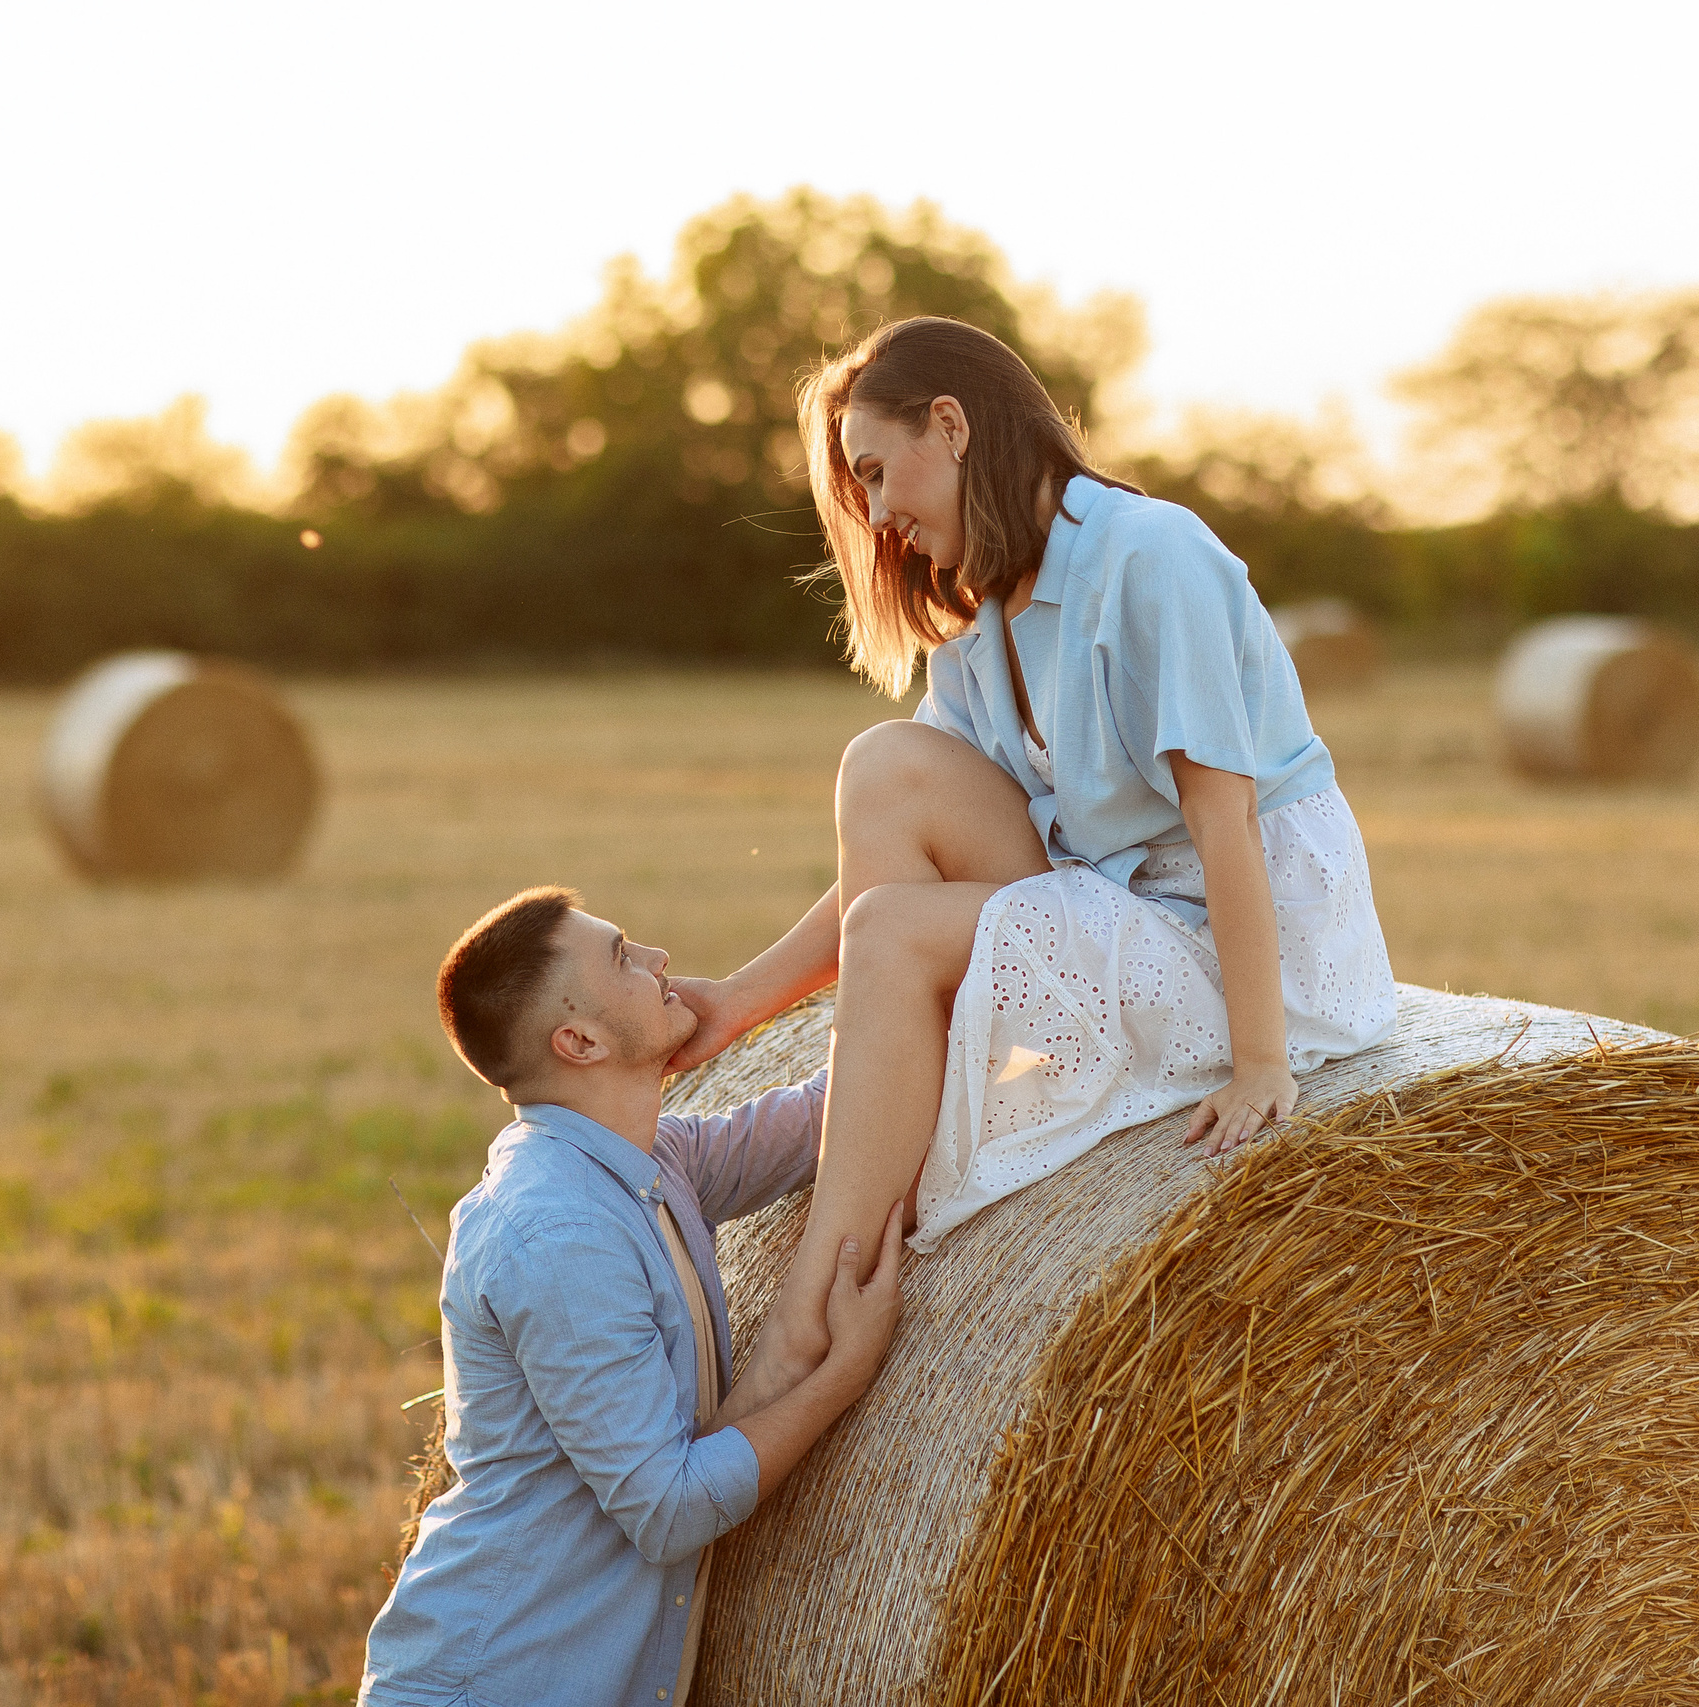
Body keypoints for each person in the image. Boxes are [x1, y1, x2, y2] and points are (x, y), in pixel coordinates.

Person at [664, 316, 1397, 1395]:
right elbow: (893, 848)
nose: (876, 515)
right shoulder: (986, 623)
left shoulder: (1153, 558)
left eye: (876, 471)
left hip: (1256, 940)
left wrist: (1261, 1063)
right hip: (1123, 906)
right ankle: (879, 1129)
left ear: (950, 426)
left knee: (896, 929)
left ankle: (815, 1298)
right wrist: (736, 1002)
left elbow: (1224, 825)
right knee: (883, 765)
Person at [360, 887, 905, 1707]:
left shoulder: (648, 1162)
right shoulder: (555, 1234)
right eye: (621, 955)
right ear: (577, 1040)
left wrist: (937, 982)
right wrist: (844, 1370)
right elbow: (669, 1507)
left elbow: (826, 1119)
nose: (658, 960)